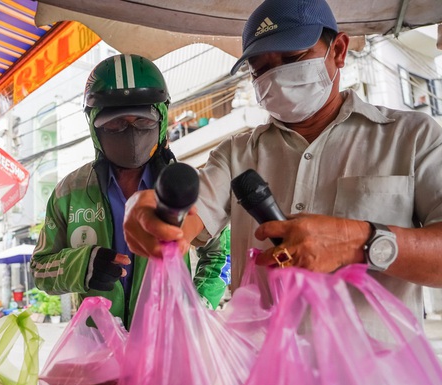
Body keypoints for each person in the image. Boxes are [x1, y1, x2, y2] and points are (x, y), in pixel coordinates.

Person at [123, 0, 442, 337]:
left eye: (292, 59)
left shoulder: (412, 138)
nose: (277, 77)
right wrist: (145, 212)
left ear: (339, 50)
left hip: (376, 382)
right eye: (261, 69)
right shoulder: (235, 154)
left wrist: (358, 241)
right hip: (262, 378)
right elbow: (183, 222)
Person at [31, 53, 230, 328]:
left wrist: (197, 307)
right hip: (98, 345)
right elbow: (40, 269)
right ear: (93, 124)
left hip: (168, 343)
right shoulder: (70, 192)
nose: (132, 134)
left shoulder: (186, 186)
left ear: (161, 118)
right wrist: (82, 265)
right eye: (115, 123)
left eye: (144, 122)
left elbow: (221, 253)